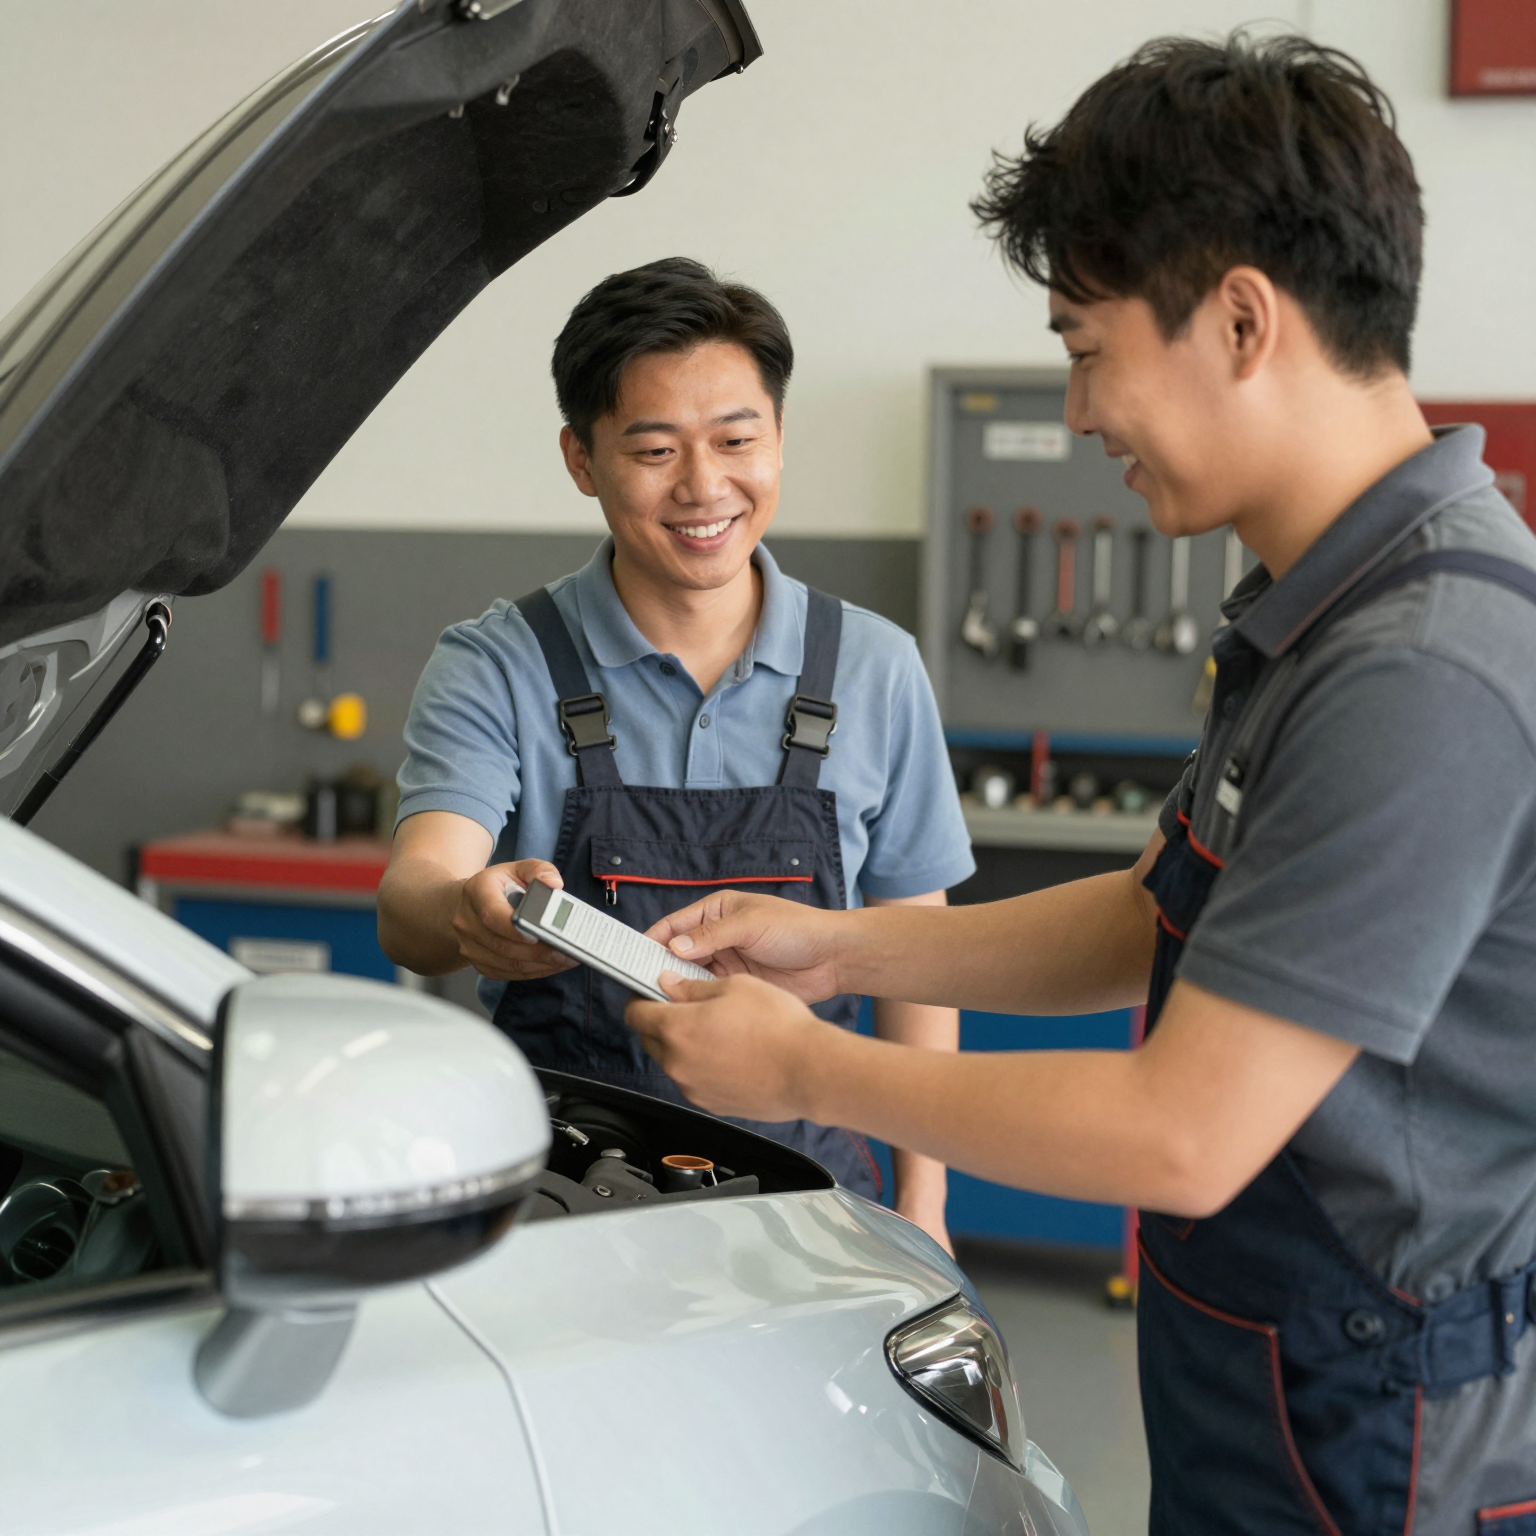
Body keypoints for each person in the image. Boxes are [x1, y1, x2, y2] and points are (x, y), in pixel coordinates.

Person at [625, 35, 1536, 1534]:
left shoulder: (1424, 663)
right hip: (1271, 1375)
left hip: (1385, 1437)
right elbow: (1151, 914)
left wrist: (806, 1069)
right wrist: (839, 943)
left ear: (1241, 320)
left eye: (1086, 346)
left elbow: (1188, 1128)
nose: (1085, 410)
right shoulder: (1317, 611)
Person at [377, 257, 973, 1248]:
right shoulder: (498, 663)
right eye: (654, 449)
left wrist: (926, 1206)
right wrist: (463, 911)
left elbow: (921, 954)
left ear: (778, 439)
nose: (704, 487)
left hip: (815, 1199)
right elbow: (414, 898)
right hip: (561, 1199)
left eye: (736, 440)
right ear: (582, 459)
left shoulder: (874, 668)